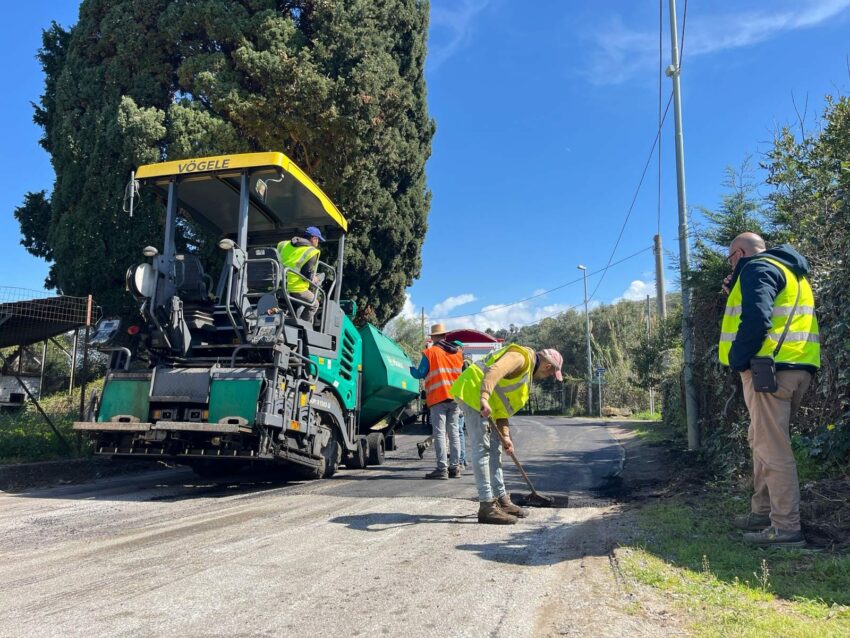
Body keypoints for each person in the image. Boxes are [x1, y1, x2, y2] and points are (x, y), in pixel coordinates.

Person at [721, 232, 820, 548]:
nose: (732, 265)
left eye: (731, 258)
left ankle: (786, 528)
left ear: (739, 253)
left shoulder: (757, 268)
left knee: (773, 448)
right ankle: (762, 512)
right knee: (761, 440)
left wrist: (739, 360)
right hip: (796, 367)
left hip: (769, 370)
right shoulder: (792, 271)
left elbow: (757, 319)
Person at [450, 344, 564, 524]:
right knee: (482, 448)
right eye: (550, 374)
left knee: (496, 449)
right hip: (473, 393)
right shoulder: (521, 358)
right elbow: (494, 370)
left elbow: (502, 409)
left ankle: (501, 499)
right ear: (548, 366)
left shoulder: (526, 376)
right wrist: (484, 398)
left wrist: (506, 437)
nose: (547, 377)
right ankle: (487, 506)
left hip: (486, 401)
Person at [410, 324, 464, 479]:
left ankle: (442, 469)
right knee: (454, 433)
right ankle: (455, 467)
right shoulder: (458, 353)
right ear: (445, 336)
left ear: (433, 337)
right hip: (455, 399)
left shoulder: (430, 352)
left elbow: (420, 373)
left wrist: (410, 369)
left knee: (439, 433)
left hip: (438, 398)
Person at [277, 226, 324, 322]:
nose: (318, 242)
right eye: (318, 239)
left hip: (278, 284)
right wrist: (316, 279)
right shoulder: (312, 252)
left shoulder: (283, 244)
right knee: (314, 304)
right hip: (295, 287)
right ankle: (301, 324)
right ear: (314, 238)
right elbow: (307, 275)